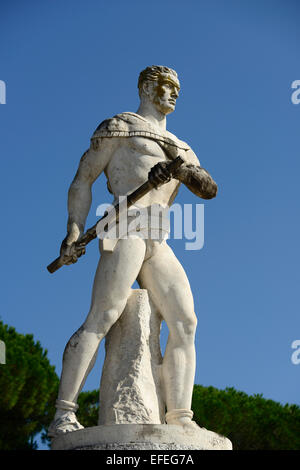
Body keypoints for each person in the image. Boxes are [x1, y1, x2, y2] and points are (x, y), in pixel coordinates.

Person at [48, 65, 218, 437]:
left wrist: (181, 171)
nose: (172, 93)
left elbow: (208, 188)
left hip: (159, 236)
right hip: (125, 224)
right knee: (104, 314)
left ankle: (179, 416)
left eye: (177, 88)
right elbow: (82, 180)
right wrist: (73, 231)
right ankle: (64, 412)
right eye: (164, 85)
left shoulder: (182, 147)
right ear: (144, 87)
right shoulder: (119, 127)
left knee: (185, 322)